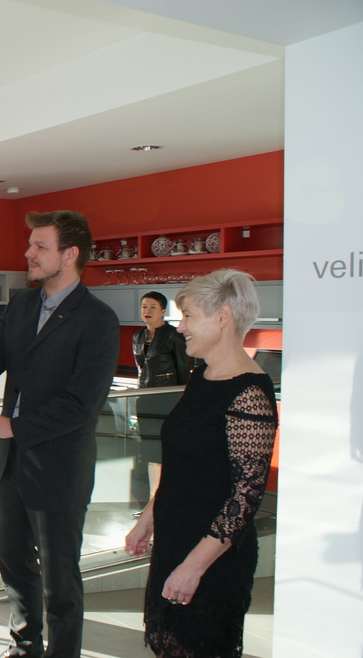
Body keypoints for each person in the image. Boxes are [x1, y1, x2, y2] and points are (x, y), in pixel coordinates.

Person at [0, 210, 119, 658]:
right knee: (13, 561)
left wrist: (15, 426)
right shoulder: (21, 306)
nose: (28, 253)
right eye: (31, 244)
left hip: (60, 468)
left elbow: (83, 403)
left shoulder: (98, 319)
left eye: (40, 246)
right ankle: (25, 645)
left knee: (59, 577)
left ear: (69, 255)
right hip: (12, 465)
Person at [125, 270, 277, 658]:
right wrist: (149, 516)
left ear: (223, 317)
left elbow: (245, 497)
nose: (181, 326)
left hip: (211, 559)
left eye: (189, 316)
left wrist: (193, 568)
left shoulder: (250, 394)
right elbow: (183, 466)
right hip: (175, 542)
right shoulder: (201, 376)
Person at [132, 291, 193, 388]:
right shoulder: (138, 336)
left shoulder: (173, 335)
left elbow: (183, 369)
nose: (147, 311)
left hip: (165, 391)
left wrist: (180, 392)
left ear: (163, 311)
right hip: (143, 390)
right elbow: (141, 368)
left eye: (153, 307)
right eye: (144, 307)